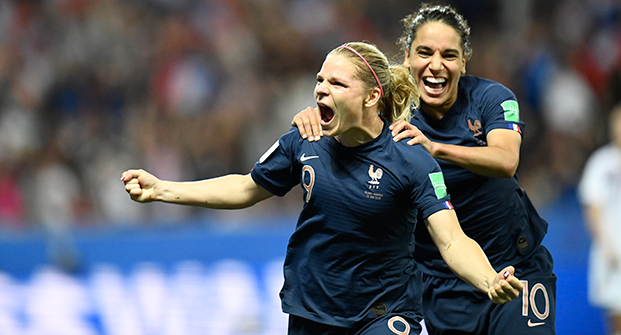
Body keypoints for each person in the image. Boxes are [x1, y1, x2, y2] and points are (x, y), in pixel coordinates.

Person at [122, 41, 522, 335]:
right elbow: (247, 188)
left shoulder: (410, 159)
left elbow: (451, 240)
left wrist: (488, 279)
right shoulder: (304, 141)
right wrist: (162, 190)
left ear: (371, 97)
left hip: (384, 313)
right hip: (313, 312)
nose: (320, 90)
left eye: (336, 83)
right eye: (319, 80)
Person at [293, 5, 556, 335]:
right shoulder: (388, 113)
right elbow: (344, 110)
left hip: (513, 267)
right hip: (438, 282)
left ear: (463, 61)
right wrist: (315, 116)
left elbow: (506, 161)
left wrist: (435, 148)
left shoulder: (492, 98)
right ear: (406, 56)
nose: (436, 65)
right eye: (424, 52)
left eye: (449, 55)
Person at [578, 104, 621, 335]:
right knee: (616, 314)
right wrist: (606, 245)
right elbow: (592, 206)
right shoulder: (602, 162)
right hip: (612, 251)